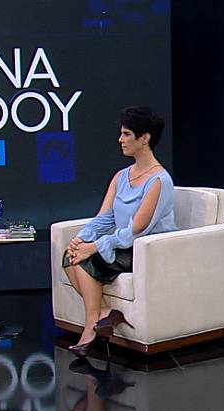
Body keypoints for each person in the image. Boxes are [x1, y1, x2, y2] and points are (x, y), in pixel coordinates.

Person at [63, 106, 177, 356]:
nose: (120, 139)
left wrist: (93, 247)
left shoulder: (159, 181)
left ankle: (91, 326)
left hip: (146, 251)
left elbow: (137, 231)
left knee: (87, 260)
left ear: (144, 138)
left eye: (126, 134)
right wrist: (81, 239)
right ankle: (105, 313)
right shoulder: (121, 176)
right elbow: (105, 218)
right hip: (124, 245)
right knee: (70, 256)